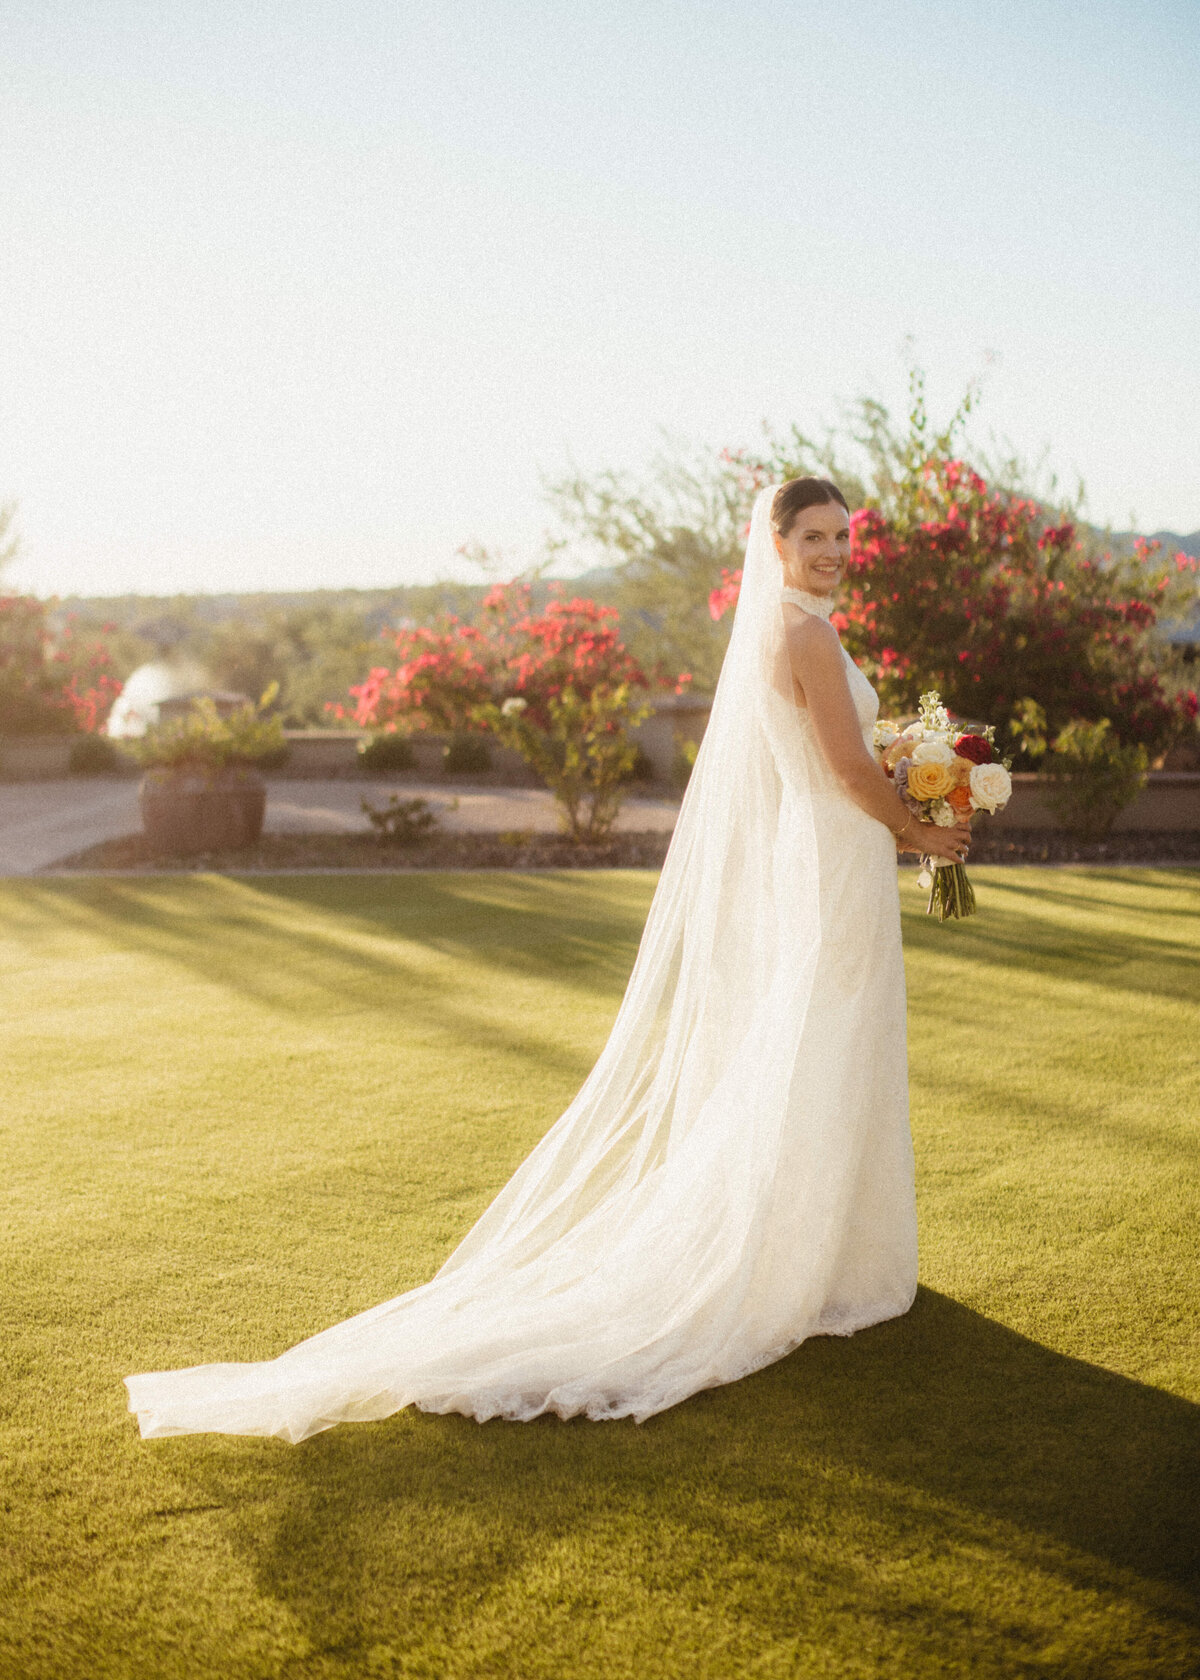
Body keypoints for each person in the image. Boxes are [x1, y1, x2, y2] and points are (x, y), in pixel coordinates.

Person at [125, 479, 970, 1443]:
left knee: (825, 1043)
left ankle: (822, 1253)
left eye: (842, 536)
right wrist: (919, 830)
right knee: (822, 1042)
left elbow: (855, 756)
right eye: (814, 535)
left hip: (822, 853)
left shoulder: (797, 626)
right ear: (773, 543)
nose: (831, 550)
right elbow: (848, 770)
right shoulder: (803, 633)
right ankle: (791, 1261)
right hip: (831, 852)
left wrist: (916, 777)